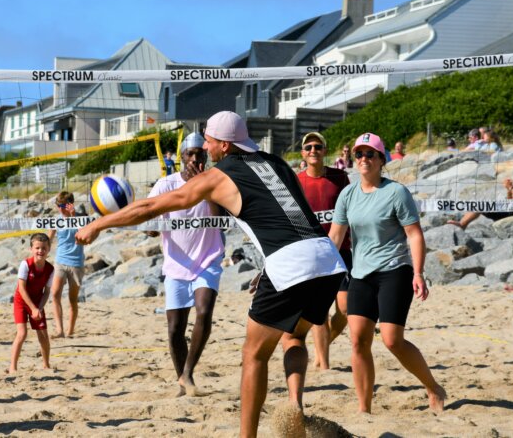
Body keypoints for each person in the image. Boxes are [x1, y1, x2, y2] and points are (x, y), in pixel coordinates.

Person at [76, 111, 347, 437]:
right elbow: (292, 216)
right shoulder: (276, 163)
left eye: (208, 139)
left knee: (253, 356)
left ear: (223, 144)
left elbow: (151, 207)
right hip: (326, 259)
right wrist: (269, 264)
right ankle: (296, 409)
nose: (205, 145)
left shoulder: (220, 175)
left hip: (292, 264)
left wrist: (99, 223)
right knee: (293, 338)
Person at [329, 132, 446, 414]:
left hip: (395, 270)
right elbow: (335, 236)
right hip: (361, 273)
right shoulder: (348, 193)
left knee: (392, 340)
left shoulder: (396, 192)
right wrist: (321, 271)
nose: (364, 159)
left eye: (370, 154)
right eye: (359, 154)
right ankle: (364, 409)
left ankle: (433, 387)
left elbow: (415, 235)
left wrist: (418, 273)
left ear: (382, 160)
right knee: (358, 340)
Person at [147, 132, 225, 397]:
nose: (194, 158)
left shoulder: (214, 182)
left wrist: (202, 185)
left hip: (208, 259)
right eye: (189, 154)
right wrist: (153, 224)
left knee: (203, 312)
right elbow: (151, 227)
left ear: (205, 157)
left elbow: (218, 217)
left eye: (199, 154)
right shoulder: (165, 185)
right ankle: (182, 379)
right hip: (177, 263)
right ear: (180, 159)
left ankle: (188, 374)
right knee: (175, 330)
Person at [291, 132, 351, 370]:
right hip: (312, 253)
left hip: (342, 250)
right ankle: (324, 365)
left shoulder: (339, 177)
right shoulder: (297, 181)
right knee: (320, 311)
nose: (313, 150)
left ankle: (322, 346)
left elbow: (350, 209)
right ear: (303, 154)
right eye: (308, 147)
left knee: (345, 309)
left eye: (318, 146)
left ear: (325, 151)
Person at [447, 165, 513, 229]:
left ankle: (462, 224)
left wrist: (511, 188)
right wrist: (509, 189)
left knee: (480, 205)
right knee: (480, 203)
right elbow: (511, 199)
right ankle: (462, 222)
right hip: (511, 208)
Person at [9, 233, 55, 373]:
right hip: (21, 302)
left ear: (48, 249)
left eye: (43, 248)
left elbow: (47, 292)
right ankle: (12, 367)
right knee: (22, 333)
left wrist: (39, 308)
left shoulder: (50, 269)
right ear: (31, 249)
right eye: (37, 248)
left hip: (37, 301)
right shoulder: (25, 264)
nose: (40, 251)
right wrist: (33, 308)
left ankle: (46, 365)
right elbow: (21, 289)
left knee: (43, 335)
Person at [47, 191, 85, 338]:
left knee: (72, 299)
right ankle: (59, 330)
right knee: (55, 293)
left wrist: (74, 216)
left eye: (63, 206)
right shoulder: (56, 221)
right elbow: (49, 240)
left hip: (76, 263)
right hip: (60, 261)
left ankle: (70, 331)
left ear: (70, 205)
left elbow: (84, 236)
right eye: (58, 205)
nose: (60, 209)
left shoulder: (80, 219)